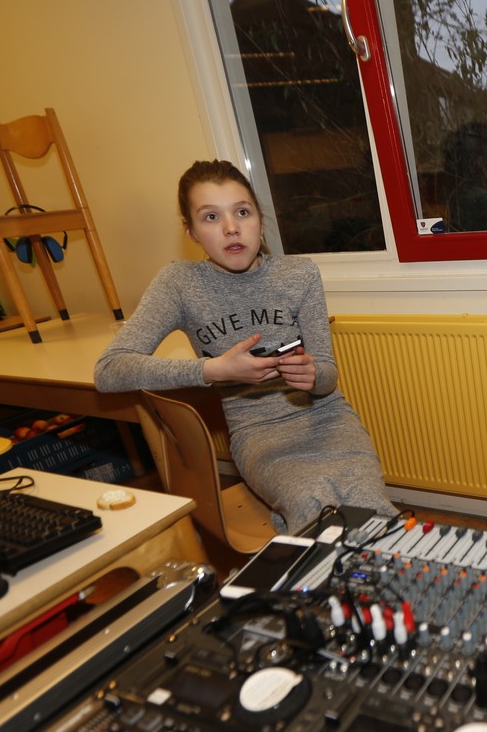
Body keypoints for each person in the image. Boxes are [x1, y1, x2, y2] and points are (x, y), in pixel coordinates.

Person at [94, 159, 396, 533]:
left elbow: (328, 377)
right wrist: (213, 370)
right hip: (258, 435)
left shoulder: (299, 274)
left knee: (371, 507)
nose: (231, 228)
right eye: (210, 217)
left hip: (329, 420)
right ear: (190, 231)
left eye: (242, 212)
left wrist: (313, 374)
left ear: (260, 221)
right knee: (312, 507)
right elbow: (109, 371)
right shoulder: (179, 284)